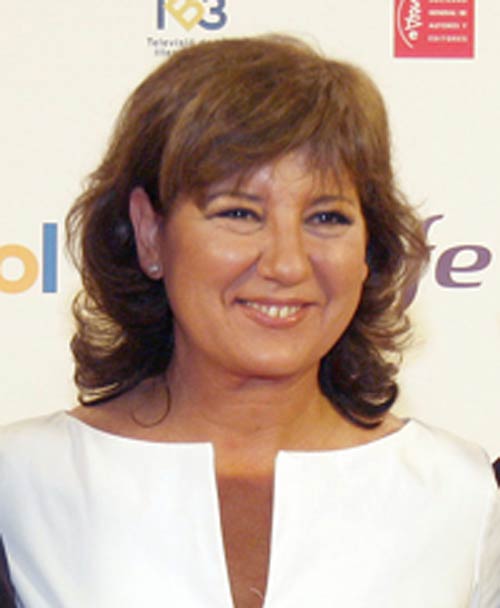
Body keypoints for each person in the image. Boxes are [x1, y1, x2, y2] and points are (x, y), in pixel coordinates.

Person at [0, 35, 499, 608]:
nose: (287, 264)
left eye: (327, 217)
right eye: (239, 212)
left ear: (369, 247)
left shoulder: (460, 494)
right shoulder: (23, 482)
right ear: (150, 233)